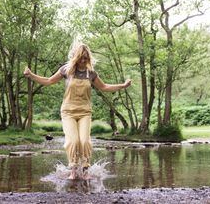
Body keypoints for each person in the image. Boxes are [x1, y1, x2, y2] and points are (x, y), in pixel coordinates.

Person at [24, 43, 131, 179]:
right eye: (81, 57)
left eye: (86, 58)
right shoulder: (66, 70)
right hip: (68, 112)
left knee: (85, 141)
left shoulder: (91, 74)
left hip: (85, 112)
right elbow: (49, 81)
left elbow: (104, 87)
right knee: (73, 141)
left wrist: (123, 85)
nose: (83, 60)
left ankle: (85, 170)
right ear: (76, 57)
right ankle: (74, 170)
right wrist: (31, 75)